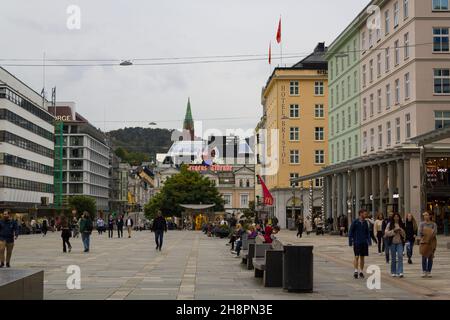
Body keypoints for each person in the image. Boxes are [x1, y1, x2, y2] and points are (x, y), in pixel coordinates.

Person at [348, 209, 372, 279]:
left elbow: (367, 232)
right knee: (356, 256)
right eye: (364, 214)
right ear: (360, 214)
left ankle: (361, 271)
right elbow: (351, 231)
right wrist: (350, 241)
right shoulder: (355, 222)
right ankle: (356, 271)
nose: (366, 215)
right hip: (357, 242)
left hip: (364, 242)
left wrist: (369, 241)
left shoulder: (365, 223)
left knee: (362, 257)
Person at [385, 213, 406, 278]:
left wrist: (400, 230)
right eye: (395, 217)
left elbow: (404, 234)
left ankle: (400, 272)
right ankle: (393, 272)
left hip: (399, 242)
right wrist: (394, 231)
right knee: (393, 258)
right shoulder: (389, 224)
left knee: (400, 256)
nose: (396, 218)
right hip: (392, 243)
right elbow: (386, 233)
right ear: (393, 218)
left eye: (397, 217)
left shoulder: (401, 224)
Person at [419, 212, 437, 278]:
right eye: (424, 215)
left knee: (430, 257)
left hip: (432, 242)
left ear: (429, 216)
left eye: (426, 215)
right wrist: (429, 232)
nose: (425, 216)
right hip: (424, 242)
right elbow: (420, 232)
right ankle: (424, 271)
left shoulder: (433, 224)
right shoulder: (422, 224)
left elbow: (435, 232)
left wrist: (427, 232)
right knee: (424, 257)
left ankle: (429, 271)